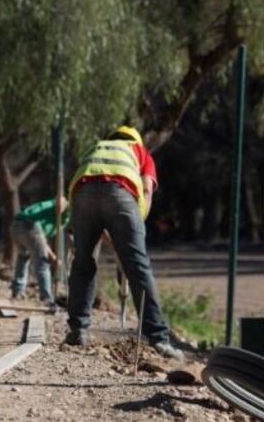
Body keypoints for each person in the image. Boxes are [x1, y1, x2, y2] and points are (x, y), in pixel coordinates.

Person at [64, 125, 183, 361]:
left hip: (82, 194)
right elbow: (146, 189)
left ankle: (78, 331)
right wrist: (135, 231)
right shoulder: (140, 151)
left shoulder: (97, 147)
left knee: (82, 263)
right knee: (138, 267)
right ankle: (159, 339)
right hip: (120, 192)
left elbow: (82, 179)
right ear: (135, 140)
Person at [10, 198, 68, 307]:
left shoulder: (58, 221)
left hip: (17, 225)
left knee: (23, 257)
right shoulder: (71, 209)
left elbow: (41, 241)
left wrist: (52, 257)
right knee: (43, 264)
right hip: (30, 224)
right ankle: (47, 299)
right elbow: (61, 200)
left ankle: (18, 292)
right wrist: (61, 206)